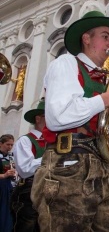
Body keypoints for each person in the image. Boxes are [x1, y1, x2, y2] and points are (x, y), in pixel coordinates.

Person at [31, 10, 109, 232]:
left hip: (102, 167)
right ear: (86, 38)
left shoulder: (106, 80)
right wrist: (107, 99)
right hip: (68, 165)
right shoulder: (66, 63)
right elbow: (57, 117)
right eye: (106, 36)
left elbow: (104, 129)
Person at [11, 98, 46, 232]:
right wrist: (50, 157)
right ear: (38, 119)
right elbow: (25, 169)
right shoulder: (25, 140)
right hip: (29, 191)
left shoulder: (53, 141)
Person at [0, 134, 15, 232]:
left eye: (11, 145)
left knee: (6, 214)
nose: (9, 147)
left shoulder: (11, 157)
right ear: (0, 144)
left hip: (8, 187)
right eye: (7, 144)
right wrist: (4, 175)